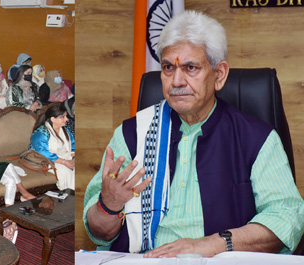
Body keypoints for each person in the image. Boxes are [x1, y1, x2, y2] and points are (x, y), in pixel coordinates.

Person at [85, 11, 304, 256]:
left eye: (190, 68)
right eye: (168, 67)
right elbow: (99, 231)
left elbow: (286, 218)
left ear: (219, 75)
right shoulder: (132, 134)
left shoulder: (256, 138)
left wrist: (210, 245)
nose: (177, 81)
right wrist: (109, 205)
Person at [29, 103, 74, 191]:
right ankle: (68, 196)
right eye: (62, 117)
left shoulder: (65, 130)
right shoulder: (41, 132)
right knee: (65, 172)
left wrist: (73, 159)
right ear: (53, 119)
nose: (67, 119)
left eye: (66, 116)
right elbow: (42, 152)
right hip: (46, 161)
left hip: (65, 158)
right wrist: (63, 162)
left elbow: (73, 145)